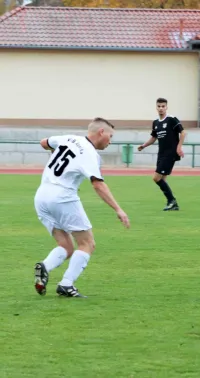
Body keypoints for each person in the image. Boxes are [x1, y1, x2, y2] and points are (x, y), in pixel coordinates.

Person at [33, 118, 130, 298]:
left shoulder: (68, 138)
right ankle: (66, 284)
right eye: (110, 136)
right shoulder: (90, 153)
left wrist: (57, 152)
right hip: (63, 197)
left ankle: (44, 267)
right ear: (101, 132)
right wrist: (118, 209)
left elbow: (43, 142)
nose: (110, 140)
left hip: (41, 195)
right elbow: (98, 185)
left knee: (66, 246)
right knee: (87, 243)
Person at [138, 98, 186, 211]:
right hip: (161, 153)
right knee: (162, 179)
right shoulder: (156, 123)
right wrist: (144, 145)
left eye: (163, 106)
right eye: (159, 106)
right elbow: (154, 137)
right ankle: (171, 203)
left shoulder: (171, 119)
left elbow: (183, 132)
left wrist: (179, 147)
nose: (161, 108)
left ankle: (172, 201)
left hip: (170, 153)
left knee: (156, 178)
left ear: (166, 107)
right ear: (156, 107)